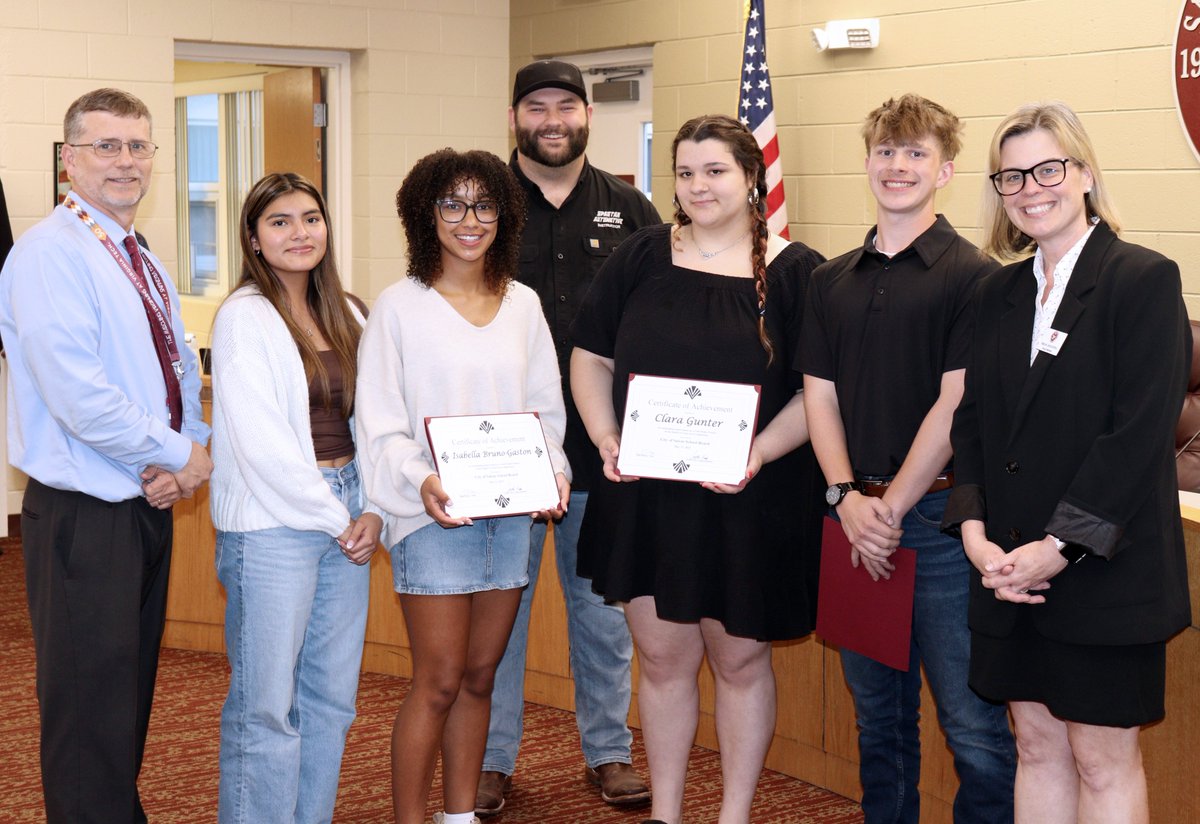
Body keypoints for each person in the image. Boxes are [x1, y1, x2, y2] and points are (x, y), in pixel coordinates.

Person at [571, 114, 826, 824]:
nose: (698, 186)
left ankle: (734, 815)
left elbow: (817, 395)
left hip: (751, 498)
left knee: (740, 664)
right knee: (661, 662)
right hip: (650, 498)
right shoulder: (641, 256)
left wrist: (759, 452)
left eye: (714, 171)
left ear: (751, 177)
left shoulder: (796, 270)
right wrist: (604, 435)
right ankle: (668, 813)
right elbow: (591, 356)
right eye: (685, 172)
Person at [942, 102, 1191, 824]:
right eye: (1012, 175)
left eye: (1048, 168)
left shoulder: (1141, 279)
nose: (1031, 187)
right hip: (1009, 571)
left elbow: (1137, 437)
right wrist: (976, 535)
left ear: (1083, 173)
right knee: (1037, 748)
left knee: (1102, 762)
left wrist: (1058, 548)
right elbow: (975, 425)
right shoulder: (996, 292)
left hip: (1103, 573)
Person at [801, 94, 1016, 823]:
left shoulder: (974, 274)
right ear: (867, 162)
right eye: (887, 152)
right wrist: (847, 499)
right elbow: (818, 398)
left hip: (938, 524)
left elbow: (954, 405)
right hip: (855, 519)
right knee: (879, 721)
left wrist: (889, 508)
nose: (899, 166)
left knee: (973, 726)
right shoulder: (830, 279)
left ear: (946, 170)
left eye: (916, 152)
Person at [0, 88, 212, 824]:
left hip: (139, 505)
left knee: (123, 695)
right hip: (82, 517)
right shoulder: (49, 255)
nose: (125, 162)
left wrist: (185, 457)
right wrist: (182, 455)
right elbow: (79, 397)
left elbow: (176, 371)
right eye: (105, 146)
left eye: (138, 146)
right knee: (87, 706)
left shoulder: (135, 253)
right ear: (69, 159)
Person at [356, 148, 570, 824]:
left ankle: (458, 817)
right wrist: (420, 480)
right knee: (439, 680)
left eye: (483, 204)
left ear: (504, 215)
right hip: (432, 520)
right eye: (451, 204)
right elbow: (380, 424)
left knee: (482, 677)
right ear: (426, 214)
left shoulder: (524, 305)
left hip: (508, 520)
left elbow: (547, 414)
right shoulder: (398, 308)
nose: (468, 219)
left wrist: (553, 476)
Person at [476, 58, 661, 816]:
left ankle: (609, 751)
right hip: (502, 454)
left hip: (603, 451)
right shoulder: (479, 204)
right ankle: (490, 760)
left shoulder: (632, 208)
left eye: (566, 106)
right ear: (515, 116)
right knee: (500, 613)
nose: (552, 119)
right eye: (536, 106)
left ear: (586, 115)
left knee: (601, 613)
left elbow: (658, 320)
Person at [209, 172, 383, 824]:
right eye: (279, 221)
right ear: (254, 236)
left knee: (331, 701)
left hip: (349, 512)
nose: (299, 232)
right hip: (274, 526)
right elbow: (262, 445)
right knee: (265, 706)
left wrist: (375, 508)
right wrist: (341, 517)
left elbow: (379, 419)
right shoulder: (244, 317)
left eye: (310, 218)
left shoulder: (353, 312)